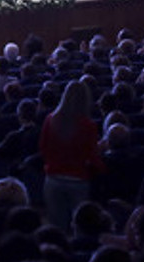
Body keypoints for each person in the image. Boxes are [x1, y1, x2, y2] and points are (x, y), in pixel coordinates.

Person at [38, 80, 104, 230]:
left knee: (56, 226)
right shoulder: (89, 125)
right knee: (81, 226)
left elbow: (43, 147)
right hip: (78, 179)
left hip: (53, 177)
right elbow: (92, 155)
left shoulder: (51, 120)